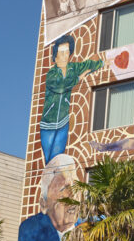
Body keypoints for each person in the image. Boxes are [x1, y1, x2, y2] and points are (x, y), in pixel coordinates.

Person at [40, 35, 106, 164]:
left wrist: (103, 63)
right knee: (48, 161)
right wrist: (79, 78)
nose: (65, 56)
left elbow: (87, 64)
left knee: (56, 159)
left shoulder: (72, 68)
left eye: (67, 52)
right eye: (61, 52)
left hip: (63, 123)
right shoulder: (51, 74)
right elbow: (60, 87)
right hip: (48, 125)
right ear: (55, 55)